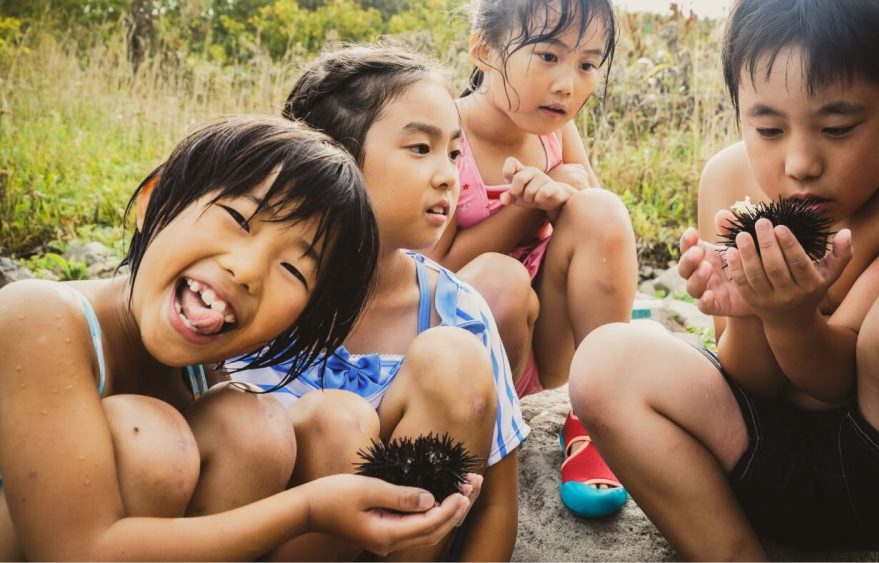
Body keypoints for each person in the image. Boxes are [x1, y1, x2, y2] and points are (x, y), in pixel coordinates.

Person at [568, 0, 879, 558]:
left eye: (837, 128)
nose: (799, 163)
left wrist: (789, 318)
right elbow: (755, 382)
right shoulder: (728, 177)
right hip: (764, 461)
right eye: (767, 127)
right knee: (604, 361)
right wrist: (747, 312)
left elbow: (836, 383)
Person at [0, 116, 483, 561]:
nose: (247, 271)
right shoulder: (38, 316)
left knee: (259, 429)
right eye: (238, 220)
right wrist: (309, 509)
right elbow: (75, 552)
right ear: (155, 201)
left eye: (293, 269)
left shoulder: (205, 368)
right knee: (150, 440)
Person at [230, 45, 528, 561]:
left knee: (453, 359)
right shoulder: (257, 294)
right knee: (336, 423)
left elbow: (498, 507)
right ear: (332, 157)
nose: (448, 175)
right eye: (420, 149)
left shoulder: (457, 311)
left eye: (455, 154)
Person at [424, 0, 638, 518]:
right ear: (484, 50)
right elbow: (433, 272)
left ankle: (596, 411)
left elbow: (590, 233)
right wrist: (524, 211)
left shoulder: (554, 130)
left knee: (601, 209)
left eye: (587, 65)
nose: (567, 83)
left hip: (550, 346)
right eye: (547, 55)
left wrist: (566, 193)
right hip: (471, 354)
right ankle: (492, 439)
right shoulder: (447, 137)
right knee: (497, 278)